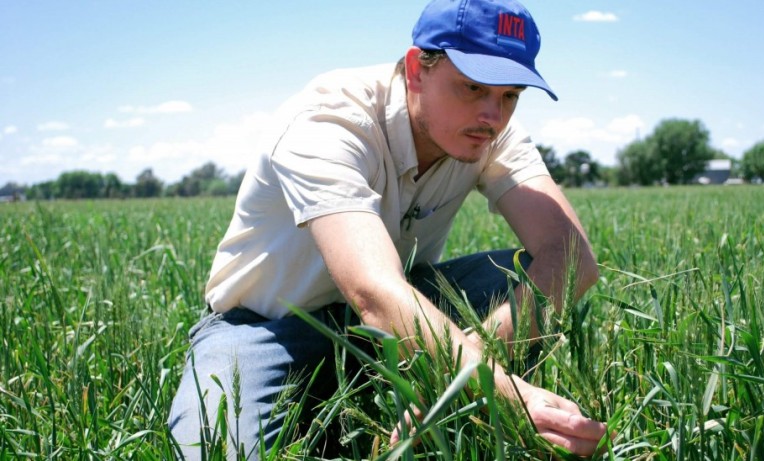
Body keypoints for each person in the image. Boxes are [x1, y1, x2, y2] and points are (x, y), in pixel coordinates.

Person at [168, 0, 608, 458]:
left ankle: (438, 403)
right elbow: (372, 291)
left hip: (398, 324)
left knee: (523, 274)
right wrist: (505, 394)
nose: (493, 116)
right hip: (265, 330)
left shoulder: (487, 132)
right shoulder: (328, 119)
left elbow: (571, 256)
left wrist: (473, 373)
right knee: (213, 451)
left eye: (510, 95)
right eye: (473, 86)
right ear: (417, 68)